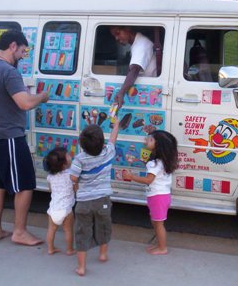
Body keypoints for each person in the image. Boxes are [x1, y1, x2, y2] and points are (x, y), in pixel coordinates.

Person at [0, 30, 50, 246]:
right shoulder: (8, 72)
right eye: (22, 50)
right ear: (12, 46)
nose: (22, 55)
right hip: (8, 136)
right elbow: (25, 104)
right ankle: (19, 232)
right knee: (26, 183)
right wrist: (42, 96)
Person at [69, 117, 120, 276]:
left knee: (82, 232)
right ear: (102, 142)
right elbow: (113, 139)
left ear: (81, 144)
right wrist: (116, 124)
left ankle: (82, 267)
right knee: (103, 226)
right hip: (103, 200)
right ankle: (103, 254)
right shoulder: (108, 152)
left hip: (84, 202)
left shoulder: (79, 159)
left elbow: (73, 178)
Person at [123, 130, 178, 255]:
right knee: (156, 222)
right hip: (160, 196)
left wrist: (132, 177)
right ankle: (159, 244)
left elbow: (149, 179)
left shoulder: (155, 163)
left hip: (157, 197)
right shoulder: (161, 161)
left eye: (150, 139)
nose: (146, 141)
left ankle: (162, 247)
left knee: (158, 224)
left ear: (159, 145)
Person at [109, 26, 157, 109]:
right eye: (114, 36)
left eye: (118, 33)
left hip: (149, 91)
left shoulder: (141, 44)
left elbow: (134, 69)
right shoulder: (137, 43)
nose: (116, 38)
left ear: (127, 29)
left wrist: (121, 92)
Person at [43, 147, 75, 255]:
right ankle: (70, 250)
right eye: (68, 156)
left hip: (53, 209)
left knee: (51, 230)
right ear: (64, 165)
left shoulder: (50, 177)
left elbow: (51, 190)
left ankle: (50, 248)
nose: (70, 156)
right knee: (68, 230)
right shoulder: (71, 175)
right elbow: (76, 188)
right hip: (66, 210)